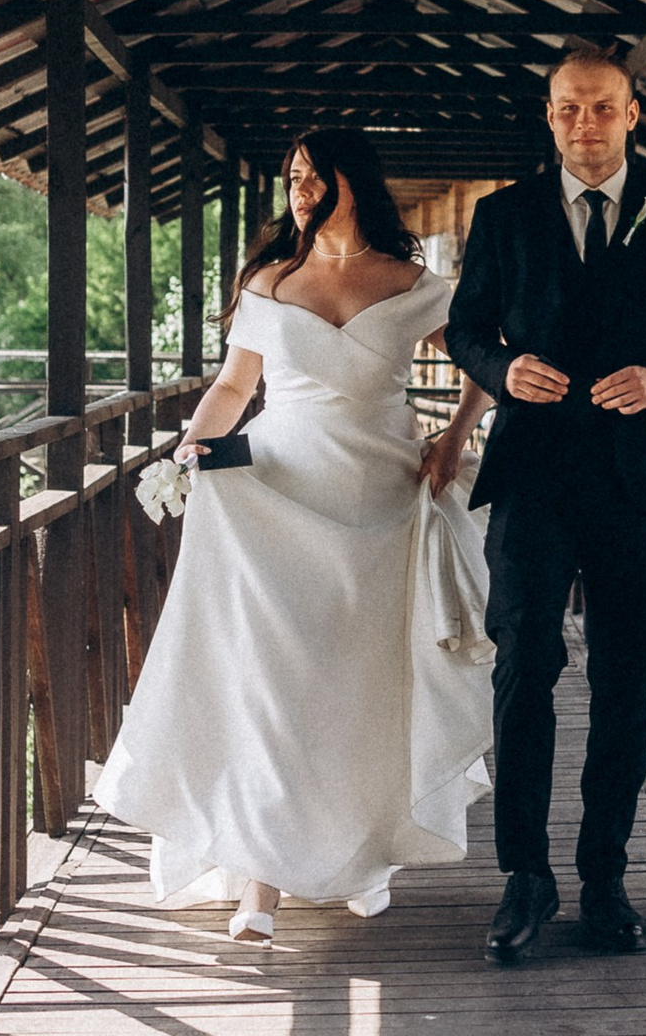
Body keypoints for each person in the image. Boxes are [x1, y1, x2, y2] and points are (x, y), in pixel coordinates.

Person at [94, 126, 497, 942]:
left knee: (362, 688)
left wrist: (454, 437)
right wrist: (189, 451)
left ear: (356, 181)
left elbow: (483, 367)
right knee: (271, 686)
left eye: (315, 174)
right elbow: (236, 386)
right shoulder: (269, 285)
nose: (300, 189)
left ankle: (361, 857)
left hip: (382, 503)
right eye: (292, 176)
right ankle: (260, 887)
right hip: (276, 498)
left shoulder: (419, 285)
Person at [447, 37, 646, 964]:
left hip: (638, 478)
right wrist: (504, 369)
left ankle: (606, 879)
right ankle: (524, 880)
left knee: (623, 682)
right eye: (568, 108)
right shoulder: (503, 216)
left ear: (632, 115)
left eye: (602, 107)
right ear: (550, 117)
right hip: (533, 478)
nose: (585, 123)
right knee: (522, 669)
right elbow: (465, 328)